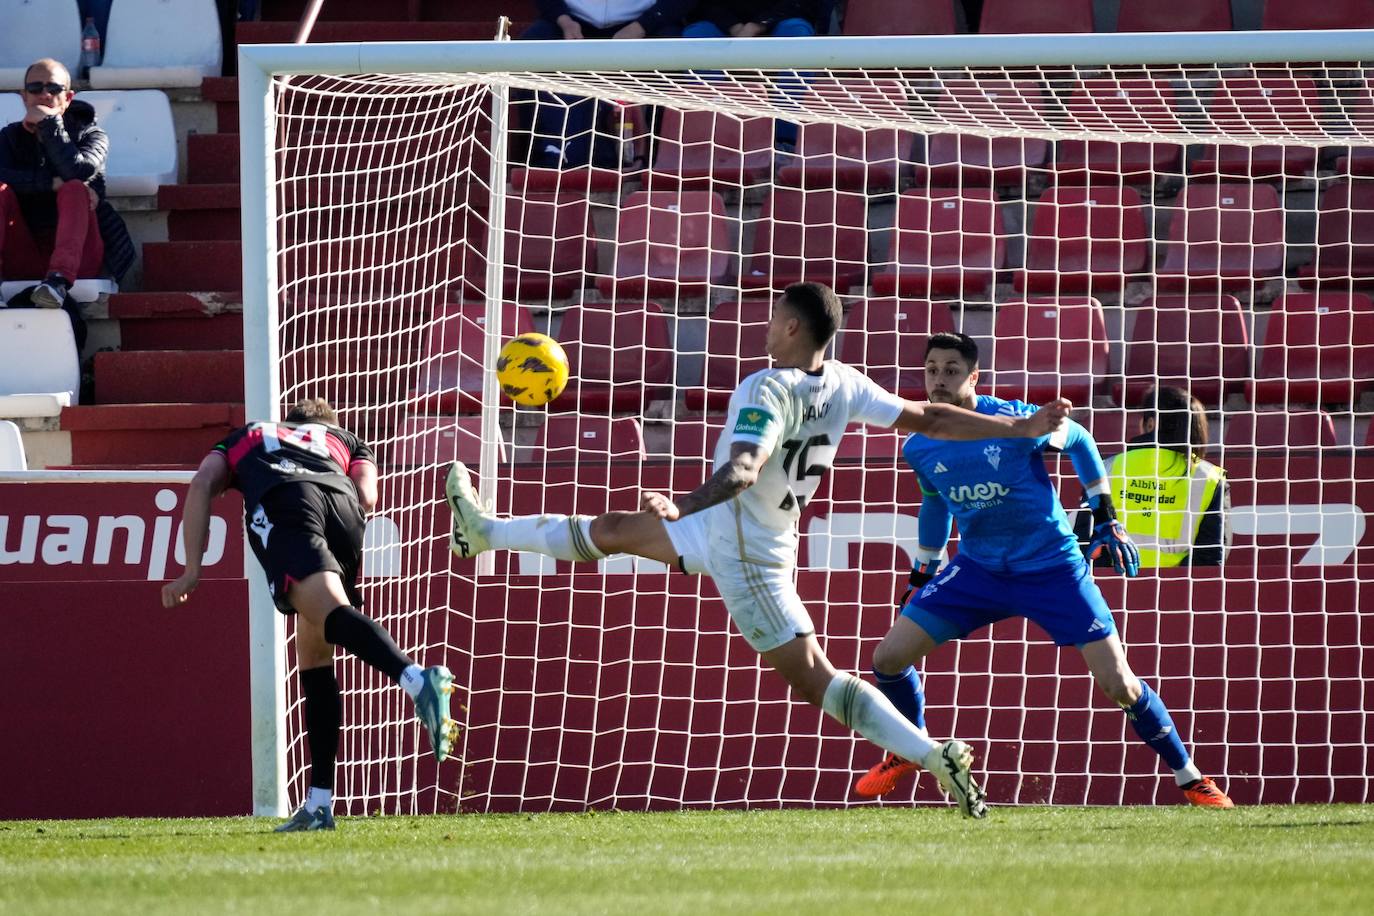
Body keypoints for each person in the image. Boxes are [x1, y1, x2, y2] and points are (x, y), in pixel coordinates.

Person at [446, 282, 1073, 819]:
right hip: (734, 528)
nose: (767, 325)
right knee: (611, 530)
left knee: (817, 678)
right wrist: (1018, 428)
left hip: (746, 550)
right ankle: (485, 531)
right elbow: (931, 418)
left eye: (774, 316)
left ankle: (932, 756)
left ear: (793, 325)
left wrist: (683, 503)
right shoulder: (847, 384)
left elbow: (745, 468)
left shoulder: (766, 388)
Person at [852, 333, 1235, 808]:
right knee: (887, 660)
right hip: (979, 571)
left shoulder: (1013, 420)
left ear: (974, 377)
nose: (938, 380)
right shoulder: (919, 446)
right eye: (931, 369)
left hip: (1053, 568)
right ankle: (912, 751)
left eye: (951, 370)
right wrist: (923, 571)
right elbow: (936, 504)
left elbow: (1079, 437)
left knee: (1120, 684)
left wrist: (1105, 513)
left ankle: (1190, 776)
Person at [162, 398, 458, 832]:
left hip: (288, 500)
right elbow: (368, 495)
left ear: (290, 421)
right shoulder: (346, 439)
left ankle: (417, 679)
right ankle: (319, 804)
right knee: (316, 653)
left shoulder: (247, 436)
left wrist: (192, 568)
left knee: (329, 613)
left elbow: (203, 482)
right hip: (343, 507)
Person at [0, 59, 134, 308]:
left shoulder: (92, 135)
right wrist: (49, 183)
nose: (44, 95)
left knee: (74, 187)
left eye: (53, 89)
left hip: (79, 255)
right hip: (25, 250)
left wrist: (49, 125)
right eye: (35, 88)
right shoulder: (8, 138)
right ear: (23, 96)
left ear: (68, 97)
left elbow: (77, 170)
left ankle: (58, 282)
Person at [521, 1, 691, 169]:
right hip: (571, 23)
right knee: (527, 50)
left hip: (646, 23)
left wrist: (642, 26)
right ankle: (544, 152)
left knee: (672, 51)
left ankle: (655, 154)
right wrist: (563, 20)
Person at [1081, 386, 1230, 568]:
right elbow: (1211, 557)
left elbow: (1084, 543)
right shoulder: (1209, 478)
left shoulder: (1104, 469)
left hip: (1111, 588)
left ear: (1151, 423)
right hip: (1181, 591)